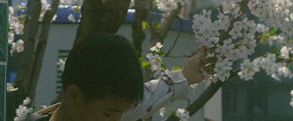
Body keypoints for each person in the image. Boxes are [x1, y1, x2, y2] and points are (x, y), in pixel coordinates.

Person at [37, 33, 210, 121]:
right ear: (74, 95)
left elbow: (151, 96)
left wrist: (187, 75)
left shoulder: (109, 108)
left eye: (121, 114)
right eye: (108, 114)